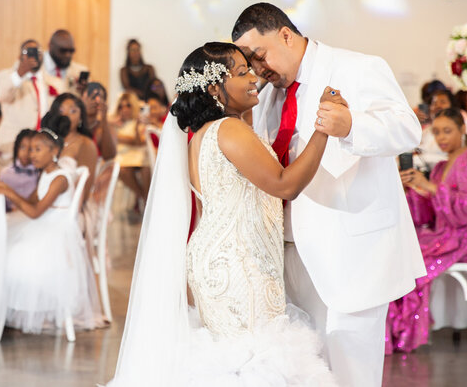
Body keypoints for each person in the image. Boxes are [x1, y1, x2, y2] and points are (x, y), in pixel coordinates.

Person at [108, 42, 339, 386]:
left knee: (239, 360)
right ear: (215, 87)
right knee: (254, 361)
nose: (253, 77)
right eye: (242, 71)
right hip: (238, 266)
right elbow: (285, 185)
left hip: (224, 259)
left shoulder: (205, 134)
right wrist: (324, 128)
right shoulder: (228, 131)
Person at [233, 2, 425, 387]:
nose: (257, 69)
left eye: (260, 55)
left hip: (351, 250)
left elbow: (408, 129)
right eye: (250, 63)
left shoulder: (356, 67)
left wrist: (351, 125)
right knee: (310, 370)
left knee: (352, 371)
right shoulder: (272, 93)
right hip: (291, 254)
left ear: (285, 34)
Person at [0, 117, 103, 334]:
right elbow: (32, 199)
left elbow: (35, 212)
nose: (32, 154)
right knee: (2, 238)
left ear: (54, 152)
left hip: (55, 229)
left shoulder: (59, 179)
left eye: (38, 149)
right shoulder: (46, 172)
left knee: (12, 254)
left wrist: (8, 192)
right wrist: (6, 191)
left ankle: (13, 308)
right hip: (44, 221)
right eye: (31, 149)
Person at [388, 108, 467, 353]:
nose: (442, 138)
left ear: (462, 130)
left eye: (447, 131)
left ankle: (404, 332)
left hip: (464, 237)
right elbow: (427, 216)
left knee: (410, 261)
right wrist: (411, 190)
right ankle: (395, 331)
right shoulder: (439, 167)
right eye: (437, 132)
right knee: (396, 251)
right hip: (442, 235)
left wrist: (432, 187)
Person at [0, 39, 55, 166]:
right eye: (28, 52)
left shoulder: (52, 81)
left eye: (38, 52)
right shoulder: (7, 76)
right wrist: (20, 73)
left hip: (42, 151)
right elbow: (1, 95)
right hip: (12, 148)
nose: (34, 55)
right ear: (20, 56)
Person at [43, 93, 98, 196]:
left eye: (73, 111)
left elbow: (85, 189)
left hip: (72, 204)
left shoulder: (85, 144)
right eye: (61, 111)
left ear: (81, 117)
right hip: (45, 199)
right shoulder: (48, 141)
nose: (66, 116)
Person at [417, 88, 467, 170]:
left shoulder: (462, 122)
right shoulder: (428, 129)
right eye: (434, 103)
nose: (438, 106)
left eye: (442, 102)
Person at [112, 92, 150, 213]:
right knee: (122, 170)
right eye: (121, 106)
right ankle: (143, 197)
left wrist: (136, 128)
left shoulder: (138, 122)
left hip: (138, 155)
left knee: (146, 166)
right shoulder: (114, 122)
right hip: (123, 158)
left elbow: (138, 142)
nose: (124, 109)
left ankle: (146, 200)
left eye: (128, 105)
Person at [0, 129, 39, 211]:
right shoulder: (5, 173)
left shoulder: (39, 175)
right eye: (22, 147)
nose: (26, 153)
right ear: (16, 147)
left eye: (31, 149)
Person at [43, 29, 89, 95]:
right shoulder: (36, 69)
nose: (68, 55)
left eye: (71, 51)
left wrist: (84, 92)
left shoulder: (78, 71)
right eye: (63, 50)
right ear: (50, 46)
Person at [81, 82, 117, 160]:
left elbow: (109, 156)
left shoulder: (104, 128)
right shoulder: (73, 124)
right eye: (90, 96)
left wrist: (104, 119)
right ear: (81, 98)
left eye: (98, 97)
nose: (93, 101)